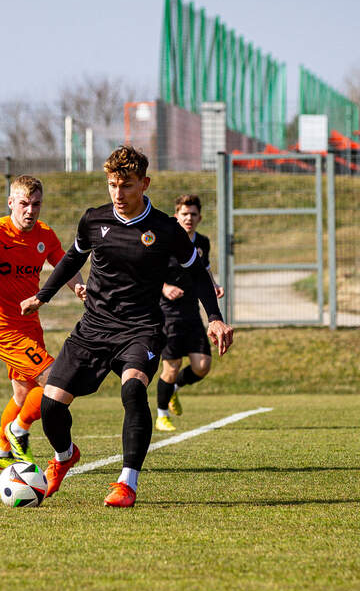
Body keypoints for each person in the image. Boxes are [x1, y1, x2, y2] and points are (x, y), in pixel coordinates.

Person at [20, 145, 234, 507]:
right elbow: (72, 259)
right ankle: (64, 456)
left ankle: (126, 483)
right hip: (93, 328)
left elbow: (197, 272)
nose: (118, 193)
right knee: (51, 405)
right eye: (112, 185)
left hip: (141, 328)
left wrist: (214, 317)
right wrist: (43, 295)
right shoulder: (94, 220)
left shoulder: (166, 229)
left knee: (133, 390)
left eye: (127, 185)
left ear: (144, 184)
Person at [0, 175, 86, 469]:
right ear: (11, 202)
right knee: (56, 380)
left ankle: (0, 451)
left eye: (36, 204)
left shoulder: (45, 235)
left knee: (23, 394)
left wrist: (79, 287)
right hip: (2, 329)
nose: (30, 210)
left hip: (31, 326)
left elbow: (66, 265)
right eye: (24, 203)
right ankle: (17, 430)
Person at [154, 194, 224, 432]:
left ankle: (173, 389)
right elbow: (149, 271)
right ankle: (162, 416)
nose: (189, 218)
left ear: (199, 218)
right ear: (176, 216)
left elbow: (204, 269)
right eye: (184, 214)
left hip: (192, 312)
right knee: (171, 366)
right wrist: (164, 287)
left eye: (193, 214)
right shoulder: (166, 240)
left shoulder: (202, 242)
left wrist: (213, 285)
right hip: (167, 313)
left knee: (202, 366)